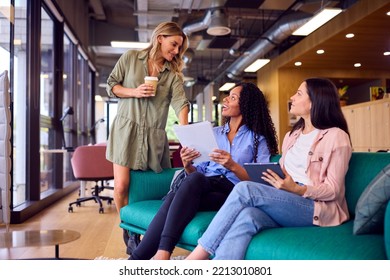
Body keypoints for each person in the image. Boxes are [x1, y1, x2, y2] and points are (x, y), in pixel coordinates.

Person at [186, 77, 352, 260]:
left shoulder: (336, 136)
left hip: (316, 208)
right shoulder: (292, 136)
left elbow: (333, 190)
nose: (292, 97)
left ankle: (196, 258)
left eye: (298, 93)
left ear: (315, 101)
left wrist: (298, 189)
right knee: (248, 216)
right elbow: (285, 172)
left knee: (244, 188)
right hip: (287, 199)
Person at [129, 82, 279, 260]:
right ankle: (150, 256)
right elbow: (195, 173)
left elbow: (259, 181)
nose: (226, 100)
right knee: (194, 180)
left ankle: (150, 256)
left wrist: (232, 165)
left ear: (246, 104)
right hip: (204, 185)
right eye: (227, 96)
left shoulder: (257, 139)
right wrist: (187, 164)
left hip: (232, 192)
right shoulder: (213, 133)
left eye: (233, 97)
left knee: (176, 195)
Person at [105, 21, 190, 216]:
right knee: (121, 186)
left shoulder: (173, 75)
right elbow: (112, 85)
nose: (177, 51)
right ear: (160, 39)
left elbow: (181, 103)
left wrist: (186, 135)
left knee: (149, 189)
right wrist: (133, 91)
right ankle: (128, 229)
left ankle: (144, 226)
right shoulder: (131, 58)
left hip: (154, 137)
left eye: (179, 47)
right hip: (126, 131)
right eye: (174, 44)